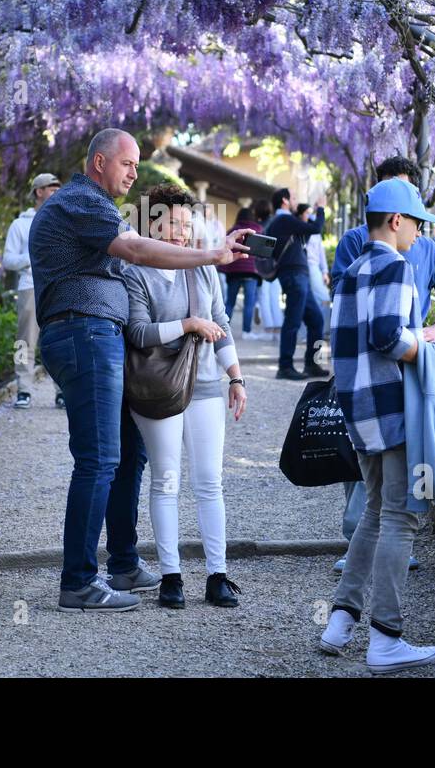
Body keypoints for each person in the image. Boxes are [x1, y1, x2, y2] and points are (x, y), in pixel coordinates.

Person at [29, 129, 248, 613]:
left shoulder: (88, 202)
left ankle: (123, 563)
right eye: (128, 164)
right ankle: (79, 582)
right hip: (85, 334)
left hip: (93, 336)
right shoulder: (83, 201)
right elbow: (139, 251)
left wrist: (234, 374)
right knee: (100, 459)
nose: (133, 172)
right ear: (99, 161)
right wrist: (213, 253)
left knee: (125, 456)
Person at [318, 177, 435, 674]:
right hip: (392, 408)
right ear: (396, 221)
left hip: (358, 410)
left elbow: (344, 346)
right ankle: (386, 637)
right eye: (415, 222)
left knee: (373, 512)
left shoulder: (350, 271)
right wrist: (430, 351)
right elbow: (389, 336)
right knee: (402, 517)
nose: (418, 233)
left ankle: (341, 621)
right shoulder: (397, 266)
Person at [330, 156, 435, 575]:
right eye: (412, 214)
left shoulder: (424, 250)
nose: (418, 224)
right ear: (394, 217)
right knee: (388, 502)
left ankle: (347, 613)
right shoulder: (367, 251)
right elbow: (376, 331)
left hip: (400, 375)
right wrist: (433, 356)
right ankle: (383, 627)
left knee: (382, 499)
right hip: (378, 374)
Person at [123, 185, 247, 609]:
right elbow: (138, 333)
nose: (180, 232)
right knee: (166, 480)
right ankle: (171, 576)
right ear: (149, 223)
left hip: (208, 383)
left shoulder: (202, 268)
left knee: (209, 481)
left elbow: (221, 323)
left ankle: (218, 575)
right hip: (158, 386)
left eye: (185, 224)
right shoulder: (135, 271)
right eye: (171, 223)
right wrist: (188, 324)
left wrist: (236, 377)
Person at [3, 173, 64, 409]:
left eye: (59, 188)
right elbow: (7, 260)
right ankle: (24, 390)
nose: (57, 192)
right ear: (39, 192)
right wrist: (33, 258)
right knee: (24, 343)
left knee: (59, 341)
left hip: (57, 288)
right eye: (52, 188)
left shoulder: (62, 221)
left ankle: (61, 391)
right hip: (29, 287)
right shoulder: (20, 224)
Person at [265, 187, 328, 380]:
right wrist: (321, 209)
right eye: (293, 197)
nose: (295, 201)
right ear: (284, 200)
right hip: (293, 275)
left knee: (316, 320)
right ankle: (285, 366)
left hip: (298, 275)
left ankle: (312, 364)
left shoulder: (283, 222)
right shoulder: (283, 219)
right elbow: (316, 229)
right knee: (292, 320)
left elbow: (305, 236)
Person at [222, 205, 264, 336]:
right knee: (249, 303)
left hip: (234, 271)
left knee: (230, 302)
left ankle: (223, 331)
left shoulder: (232, 231)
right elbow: (262, 251)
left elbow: (225, 250)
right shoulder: (258, 230)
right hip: (251, 272)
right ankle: (247, 332)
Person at [298, 203, 332, 335]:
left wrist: (324, 271)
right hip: (305, 267)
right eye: (307, 212)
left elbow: (321, 253)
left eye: (311, 212)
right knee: (312, 299)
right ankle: (316, 332)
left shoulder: (315, 231)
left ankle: (321, 330)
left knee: (321, 299)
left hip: (314, 267)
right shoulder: (299, 229)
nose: (310, 215)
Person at [253, 200, 283, 334]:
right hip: (276, 264)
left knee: (263, 295)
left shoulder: (257, 227)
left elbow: (255, 250)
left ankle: (269, 326)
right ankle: (278, 324)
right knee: (275, 295)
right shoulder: (276, 223)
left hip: (262, 267)